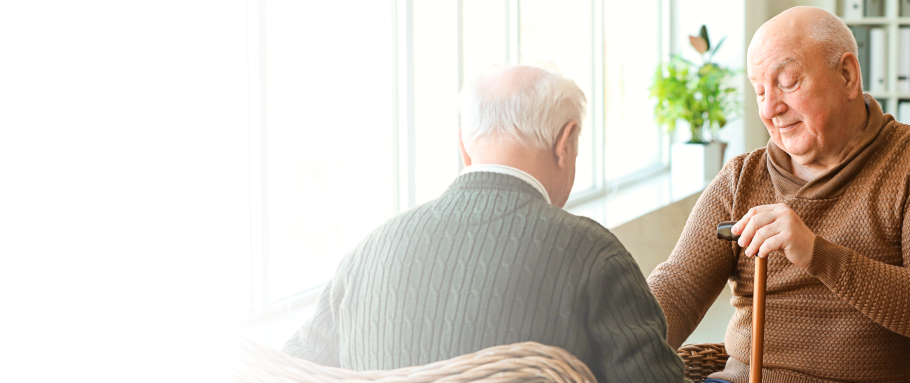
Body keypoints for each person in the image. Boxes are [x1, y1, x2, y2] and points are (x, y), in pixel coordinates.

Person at [282, 64, 688, 383]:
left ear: (465, 146)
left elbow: (291, 369)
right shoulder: (592, 255)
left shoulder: (366, 254)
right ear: (565, 143)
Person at [647, 7, 910, 383]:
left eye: (787, 82)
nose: (770, 108)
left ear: (847, 75)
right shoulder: (740, 178)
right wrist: (608, 336)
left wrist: (815, 252)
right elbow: (677, 290)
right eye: (759, 90)